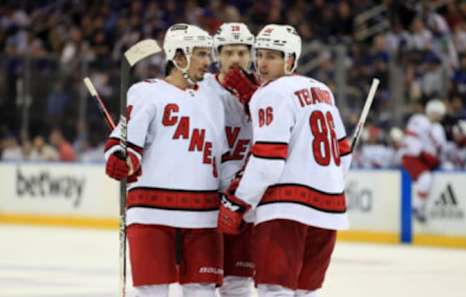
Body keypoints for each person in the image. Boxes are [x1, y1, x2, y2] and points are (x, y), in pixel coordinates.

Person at [217, 24, 352, 297]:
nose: (261, 63)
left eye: (272, 56)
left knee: (274, 290)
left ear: (290, 60)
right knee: (306, 292)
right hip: (329, 210)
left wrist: (238, 202)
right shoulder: (322, 90)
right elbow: (344, 155)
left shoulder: (270, 93)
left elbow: (268, 162)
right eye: (261, 54)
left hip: (285, 210)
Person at [104, 24, 227, 297]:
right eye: (200, 54)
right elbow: (122, 143)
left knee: (203, 291)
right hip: (152, 212)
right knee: (152, 292)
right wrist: (121, 159)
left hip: (204, 215)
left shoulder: (215, 97)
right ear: (179, 57)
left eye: (208, 54)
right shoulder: (148, 92)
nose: (208, 62)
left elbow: (224, 154)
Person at [200, 22, 257, 297]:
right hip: (205, 199)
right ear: (217, 54)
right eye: (229, 52)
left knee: (238, 283)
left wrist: (253, 97)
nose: (236, 59)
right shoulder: (201, 89)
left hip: (243, 201)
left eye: (242, 52)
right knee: (200, 283)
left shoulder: (269, 93)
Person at [402, 99, 447, 223]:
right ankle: (416, 207)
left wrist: (436, 158)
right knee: (426, 178)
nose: (440, 116)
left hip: (425, 159)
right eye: (438, 113)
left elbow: (441, 147)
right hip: (413, 157)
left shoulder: (438, 128)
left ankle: (418, 207)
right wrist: (424, 154)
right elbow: (411, 140)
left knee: (432, 176)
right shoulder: (419, 120)